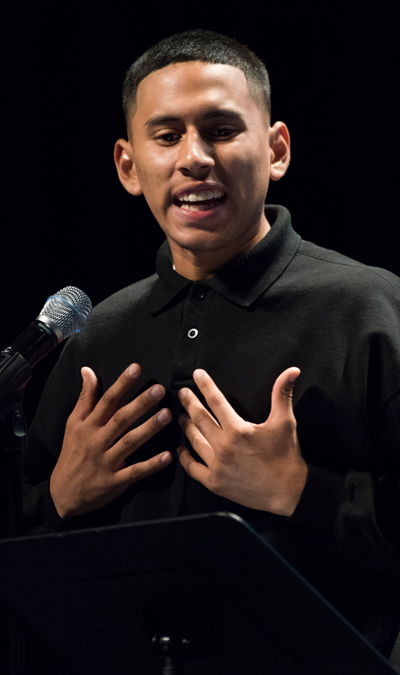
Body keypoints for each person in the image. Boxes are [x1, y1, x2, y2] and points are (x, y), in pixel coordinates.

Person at [24, 29, 400, 658]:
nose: (194, 157)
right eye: (166, 136)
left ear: (276, 150)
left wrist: (303, 490)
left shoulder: (367, 309)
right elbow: (26, 553)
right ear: (128, 166)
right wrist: (58, 501)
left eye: (222, 130)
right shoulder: (97, 333)